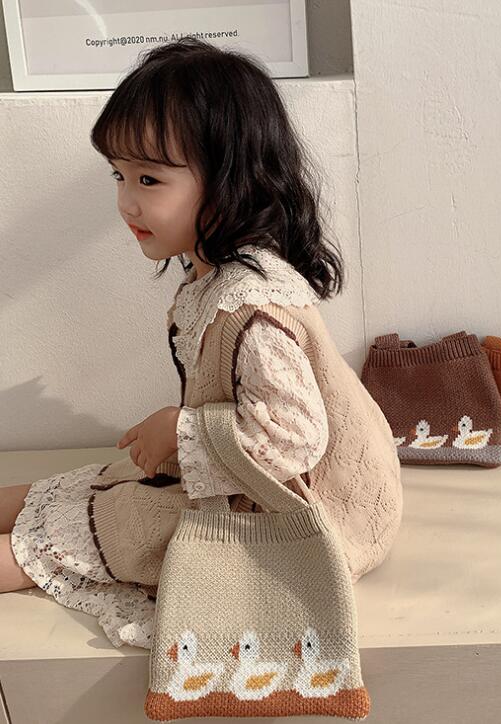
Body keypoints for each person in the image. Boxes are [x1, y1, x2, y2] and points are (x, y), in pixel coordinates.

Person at [0, 36, 402, 649]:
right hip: (250, 471)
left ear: (228, 181)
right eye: (119, 175)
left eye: (149, 179)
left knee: (117, 524)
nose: (126, 202)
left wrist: (182, 428)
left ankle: (20, 556)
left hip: (304, 508)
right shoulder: (215, 279)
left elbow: (294, 439)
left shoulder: (252, 304)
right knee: (95, 485)